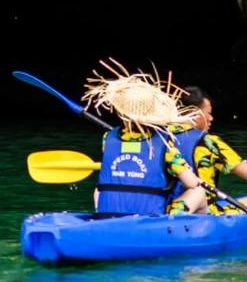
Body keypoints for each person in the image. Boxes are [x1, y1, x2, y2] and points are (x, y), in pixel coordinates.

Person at [83, 62, 202, 216]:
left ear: (121, 112)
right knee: (198, 191)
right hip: (149, 218)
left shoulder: (108, 138)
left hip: (110, 214)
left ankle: (103, 218)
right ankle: (196, 231)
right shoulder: (164, 142)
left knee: (99, 188)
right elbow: (190, 182)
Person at [166, 86, 247, 215]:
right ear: (194, 112)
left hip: (164, 207)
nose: (211, 118)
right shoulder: (209, 142)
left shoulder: (159, 137)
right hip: (202, 211)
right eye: (208, 113)